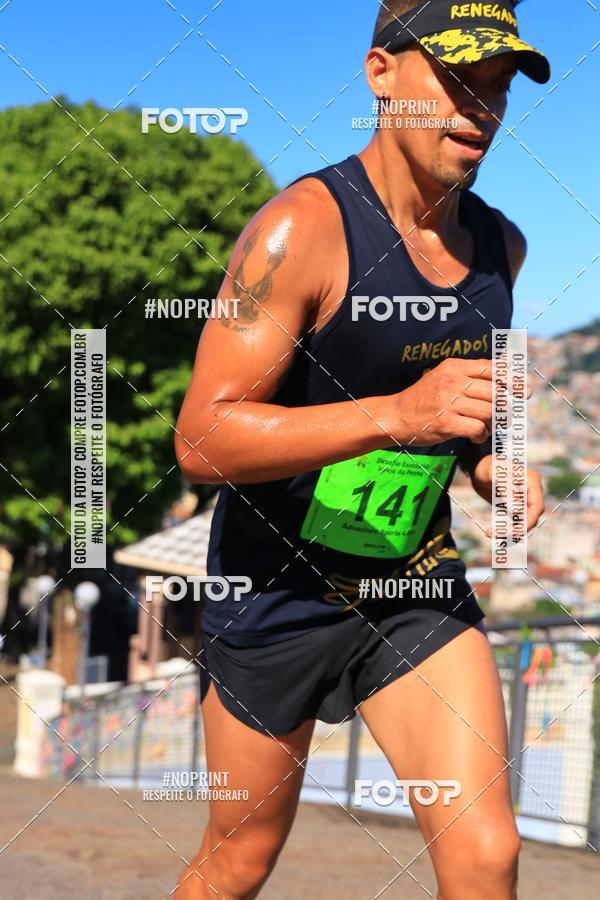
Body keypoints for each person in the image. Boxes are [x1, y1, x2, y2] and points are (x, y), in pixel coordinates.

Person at [174, 1, 547, 896]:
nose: (479, 111)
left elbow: (462, 419)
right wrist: (401, 416)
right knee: (239, 860)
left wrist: (497, 466)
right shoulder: (299, 229)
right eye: (457, 80)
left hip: (411, 581)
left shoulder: (503, 246)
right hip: (277, 591)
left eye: (496, 89)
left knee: (486, 852)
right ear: (381, 73)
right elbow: (202, 439)